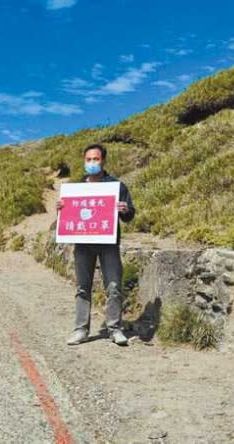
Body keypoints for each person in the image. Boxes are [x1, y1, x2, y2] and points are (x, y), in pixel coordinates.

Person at [57, 143, 136, 346]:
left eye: (96, 159)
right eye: (88, 159)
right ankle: (81, 330)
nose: (92, 163)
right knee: (83, 287)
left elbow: (129, 216)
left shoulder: (117, 186)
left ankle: (114, 328)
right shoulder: (76, 188)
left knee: (114, 286)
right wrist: (61, 208)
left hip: (108, 243)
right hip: (83, 245)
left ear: (103, 161)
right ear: (84, 161)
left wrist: (125, 209)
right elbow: (68, 217)